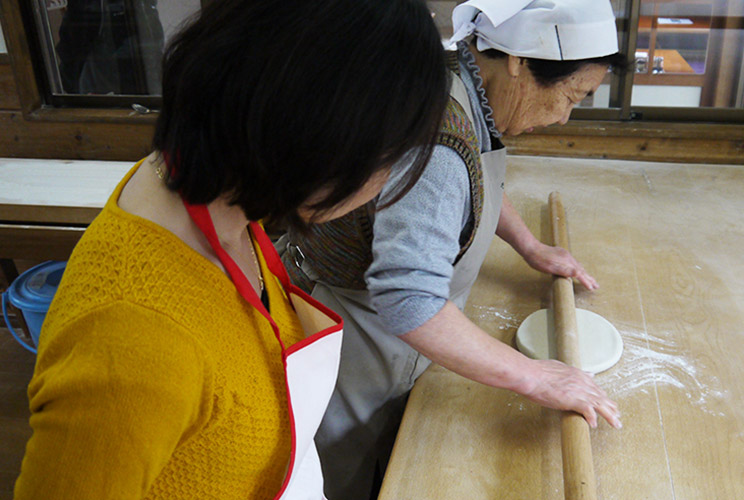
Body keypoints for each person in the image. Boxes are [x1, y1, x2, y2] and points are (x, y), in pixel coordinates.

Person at [14, 0, 448, 498]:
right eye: (390, 159)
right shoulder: (132, 341)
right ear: (321, 140)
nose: (387, 182)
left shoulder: (224, 202)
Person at [277, 1, 627, 499]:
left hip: (388, 329)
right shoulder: (439, 134)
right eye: (571, 95)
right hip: (352, 332)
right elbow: (410, 300)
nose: (563, 116)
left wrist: (529, 246)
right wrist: (535, 377)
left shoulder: (459, 81)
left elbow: (475, 177)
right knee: (339, 472)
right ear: (518, 60)